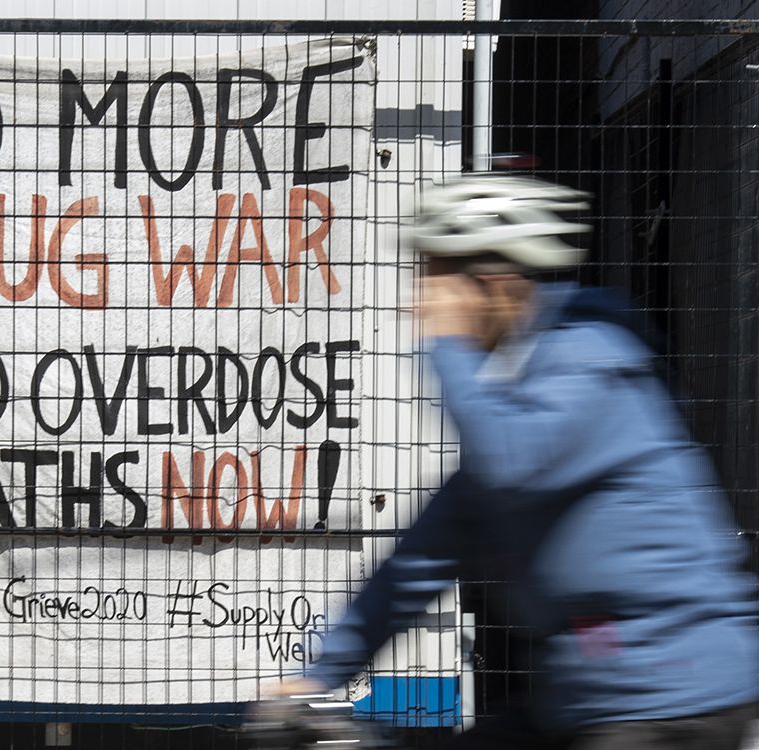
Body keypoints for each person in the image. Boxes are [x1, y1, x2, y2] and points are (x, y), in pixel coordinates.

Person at [282, 175, 759, 749]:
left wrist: (450, 344)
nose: (420, 304)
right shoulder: (519, 395)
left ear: (496, 285)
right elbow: (419, 559)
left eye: (436, 280)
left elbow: (512, 461)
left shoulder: (592, 361)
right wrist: (318, 675)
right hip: (582, 697)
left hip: (672, 701)